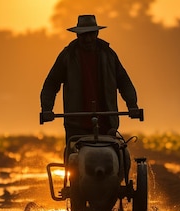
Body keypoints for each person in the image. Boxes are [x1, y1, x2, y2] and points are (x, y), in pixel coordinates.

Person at [40, 14, 141, 144]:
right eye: (83, 35)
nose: (87, 39)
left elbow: (123, 81)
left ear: (97, 33)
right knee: (74, 160)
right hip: (76, 127)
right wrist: (47, 109)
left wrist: (132, 105)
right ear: (77, 35)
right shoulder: (68, 56)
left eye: (90, 34)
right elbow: (51, 84)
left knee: (120, 157)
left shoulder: (108, 55)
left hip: (107, 124)